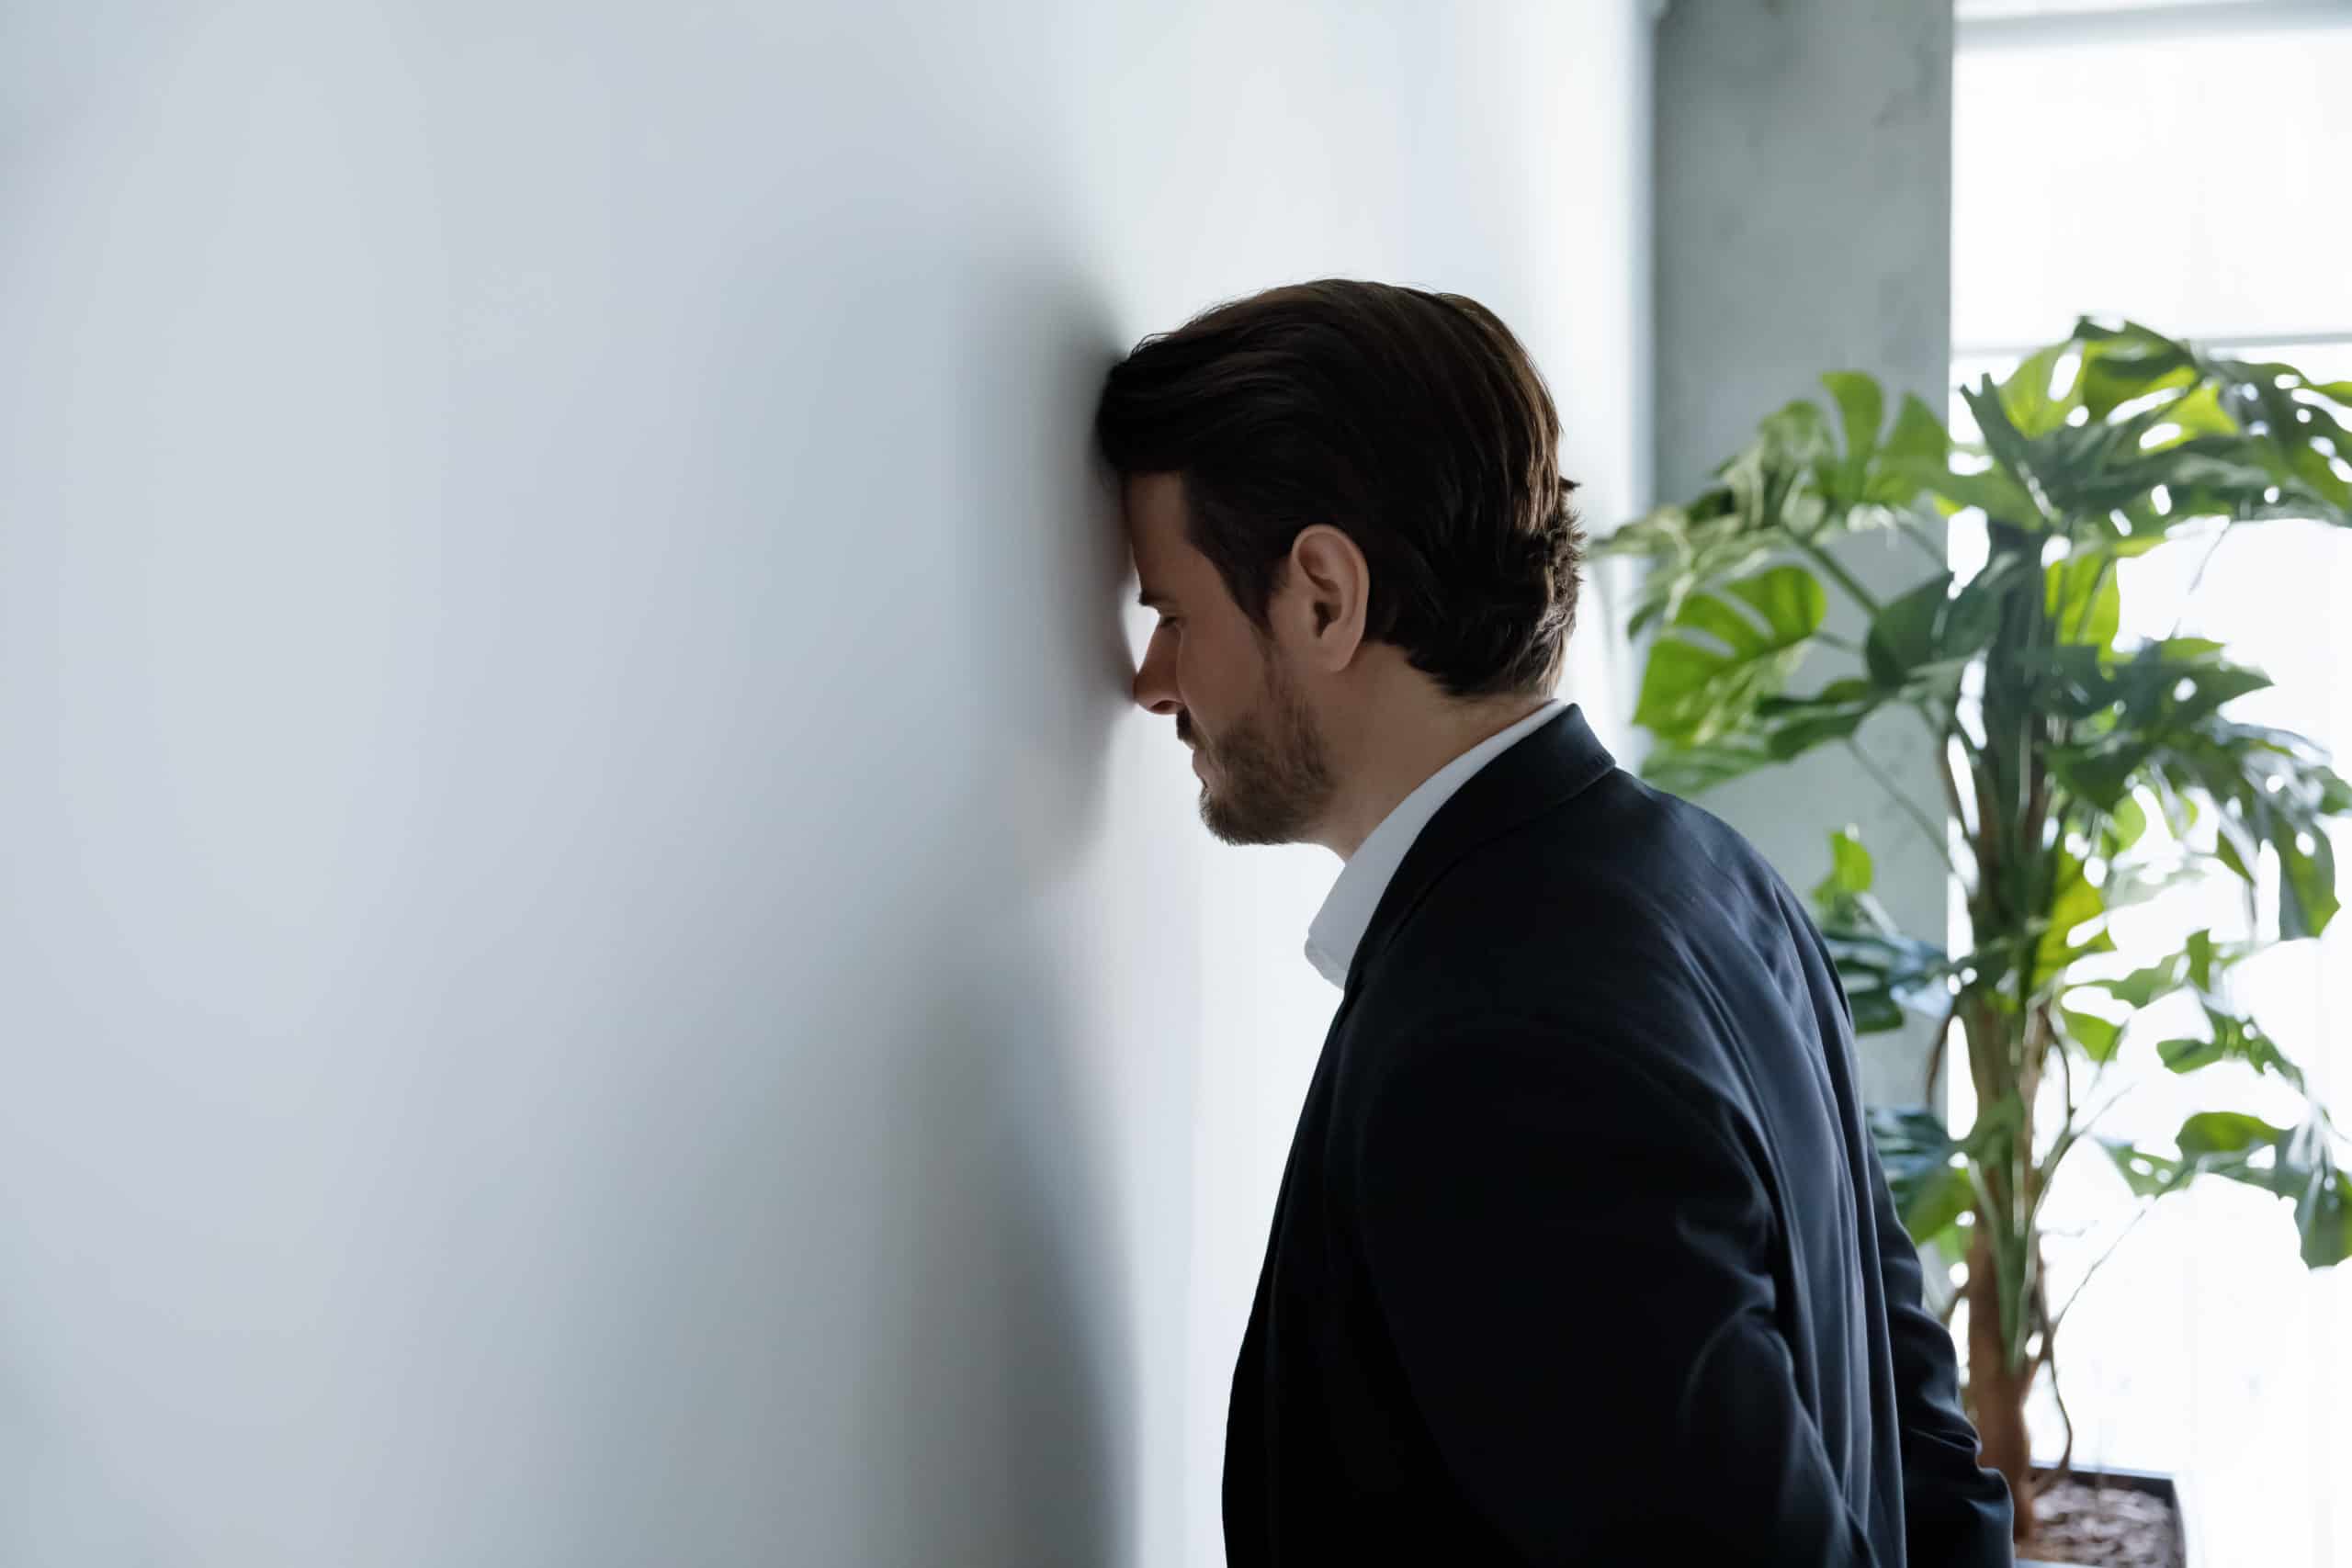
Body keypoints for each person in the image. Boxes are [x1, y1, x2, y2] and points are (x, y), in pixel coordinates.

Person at [1092, 279, 2014, 1566]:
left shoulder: (1497, 1049)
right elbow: (1933, 1465)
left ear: (1321, 595)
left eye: (1170, 614)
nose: (1149, 681)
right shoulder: (1710, 876)